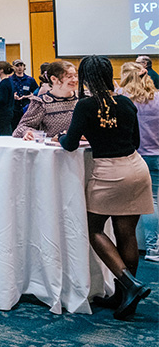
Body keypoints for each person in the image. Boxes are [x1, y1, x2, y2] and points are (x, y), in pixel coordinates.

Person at [60, 56, 153, 320]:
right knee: (127, 234)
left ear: (87, 77)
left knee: (93, 229)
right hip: (136, 168)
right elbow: (135, 139)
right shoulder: (124, 101)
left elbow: (70, 144)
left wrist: (60, 137)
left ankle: (129, 285)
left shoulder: (86, 105)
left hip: (109, 173)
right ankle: (125, 297)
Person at [117, 62, 159, 262]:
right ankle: (153, 247)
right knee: (155, 201)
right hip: (157, 154)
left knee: (139, 204)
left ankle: (149, 247)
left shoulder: (124, 101)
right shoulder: (158, 98)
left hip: (134, 156)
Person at [13, 60, 78, 140]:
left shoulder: (84, 97)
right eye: (69, 77)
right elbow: (21, 128)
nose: (75, 80)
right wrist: (29, 132)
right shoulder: (41, 102)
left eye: (76, 76)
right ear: (54, 79)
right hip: (54, 150)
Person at [10, 60, 37, 124]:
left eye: (21, 65)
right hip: (14, 109)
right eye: (17, 66)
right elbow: (5, 93)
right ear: (13, 68)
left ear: (24, 67)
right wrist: (12, 96)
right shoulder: (10, 79)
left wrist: (27, 96)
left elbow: (37, 93)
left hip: (26, 108)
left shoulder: (30, 80)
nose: (19, 67)